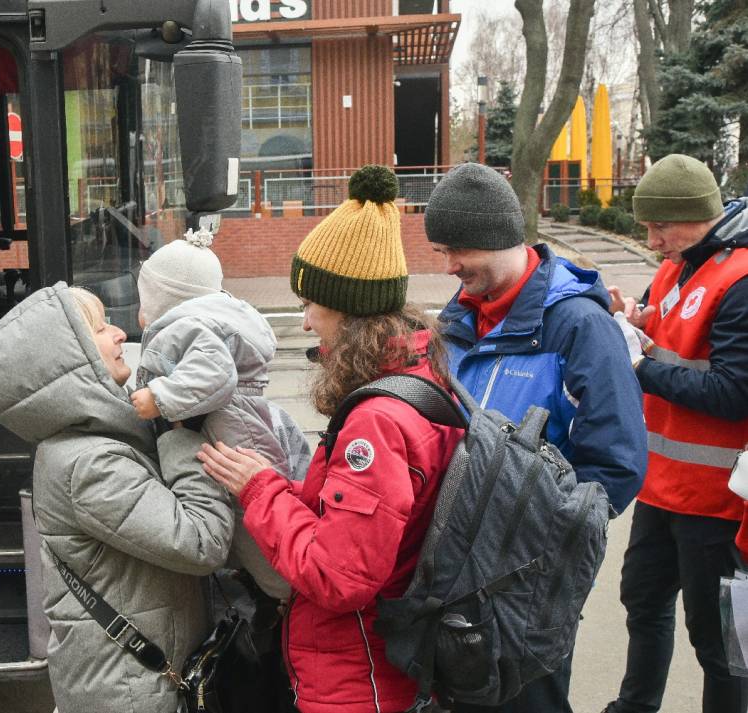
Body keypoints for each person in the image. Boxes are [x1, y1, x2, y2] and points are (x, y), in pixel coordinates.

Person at [198, 165, 464, 713]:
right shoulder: (418, 380)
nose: (304, 323)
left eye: (309, 305)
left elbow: (338, 576)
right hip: (375, 668)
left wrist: (260, 491)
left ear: (346, 309)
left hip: (358, 681)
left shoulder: (377, 421)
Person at [424, 162, 648, 713]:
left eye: (460, 252)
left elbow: (617, 464)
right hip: (453, 568)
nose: (450, 267)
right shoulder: (456, 323)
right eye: (443, 252)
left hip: (529, 583)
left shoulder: (577, 326)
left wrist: (544, 548)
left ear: (502, 239)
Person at [0, 283, 234, 713]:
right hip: (130, 692)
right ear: (67, 363)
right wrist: (181, 436)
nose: (119, 335)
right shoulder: (88, 464)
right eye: (100, 328)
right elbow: (202, 541)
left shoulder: (96, 439)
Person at [601, 154, 748, 713]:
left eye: (661, 224)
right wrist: (636, 322)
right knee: (643, 601)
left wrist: (641, 368)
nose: (652, 237)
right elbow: (678, 342)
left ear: (698, 216)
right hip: (661, 486)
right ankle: (635, 706)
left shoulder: (739, 280)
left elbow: (735, 393)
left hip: (716, 501)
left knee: (719, 643)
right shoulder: (682, 263)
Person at [130, 226, 311, 599]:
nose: (140, 314)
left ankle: (289, 589)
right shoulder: (213, 319)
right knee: (280, 483)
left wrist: (158, 396)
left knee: (250, 508)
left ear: (165, 300)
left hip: (228, 425)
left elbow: (216, 374)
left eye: (145, 302)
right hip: (250, 416)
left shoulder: (183, 327)